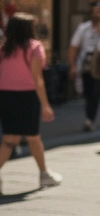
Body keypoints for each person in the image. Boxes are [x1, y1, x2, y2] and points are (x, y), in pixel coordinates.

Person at [0, 14, 59, 194]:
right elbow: (37, 78)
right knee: (32, 136)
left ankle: (44, 173)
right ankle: (44, 174)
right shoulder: (34, 47)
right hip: (27, 97)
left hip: (6, 96)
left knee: (10, 139)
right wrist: (45, 104)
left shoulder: (3, 48)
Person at [67, 0, 100, 131]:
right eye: (94, 12)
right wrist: (72, 65)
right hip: (87, 66)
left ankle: (90, 120)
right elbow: (73, 47)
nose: (96, 15)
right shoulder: (83, 28)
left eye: (99, 12)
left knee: (99, 93)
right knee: (91, 94)